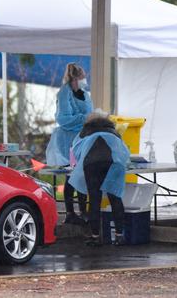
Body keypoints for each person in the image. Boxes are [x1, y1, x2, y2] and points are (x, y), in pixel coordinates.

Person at [68, 111, 130, 246]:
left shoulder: (85, 131)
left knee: (95, 200)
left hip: (92, 164)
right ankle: (120, 236)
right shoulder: (113, 132)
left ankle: (95, 237)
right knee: (115, 198)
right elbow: (125, 151)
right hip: (113, 163)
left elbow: (75, 150)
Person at [46, 63, 93, 225]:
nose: (83, 81)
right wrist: (83, 119)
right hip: (68, 141)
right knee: (71, 175)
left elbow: (90, 112)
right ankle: (70, 213)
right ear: (74, 79)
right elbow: (63, 118)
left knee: (82, 175)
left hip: (83, 138)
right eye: (81, 78)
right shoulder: (64, 93)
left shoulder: (84, 94)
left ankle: (83, 211)